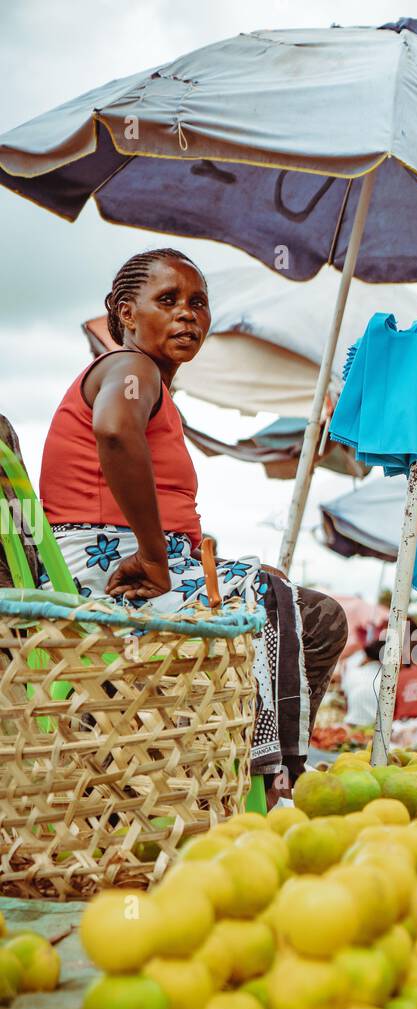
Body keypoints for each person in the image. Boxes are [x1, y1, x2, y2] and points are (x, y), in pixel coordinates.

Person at [39, 247, 347, 804]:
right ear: (125, 313)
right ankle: (262, 784)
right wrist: (157, 559)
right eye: (168, 300)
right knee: (315, 616)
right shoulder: (131, 369)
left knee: (276, 587)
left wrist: (172, 555)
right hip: (105, 572)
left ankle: (237, 775)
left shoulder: (149, 383)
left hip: (120, 564)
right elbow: (113, 431)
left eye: (198, 303)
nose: (188, 314)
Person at [341, 633, 383, 728]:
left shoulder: (353, 673)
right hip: (378, 728)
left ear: (366, 656)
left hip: (352, 725)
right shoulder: (388, 680)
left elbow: (346, 702)